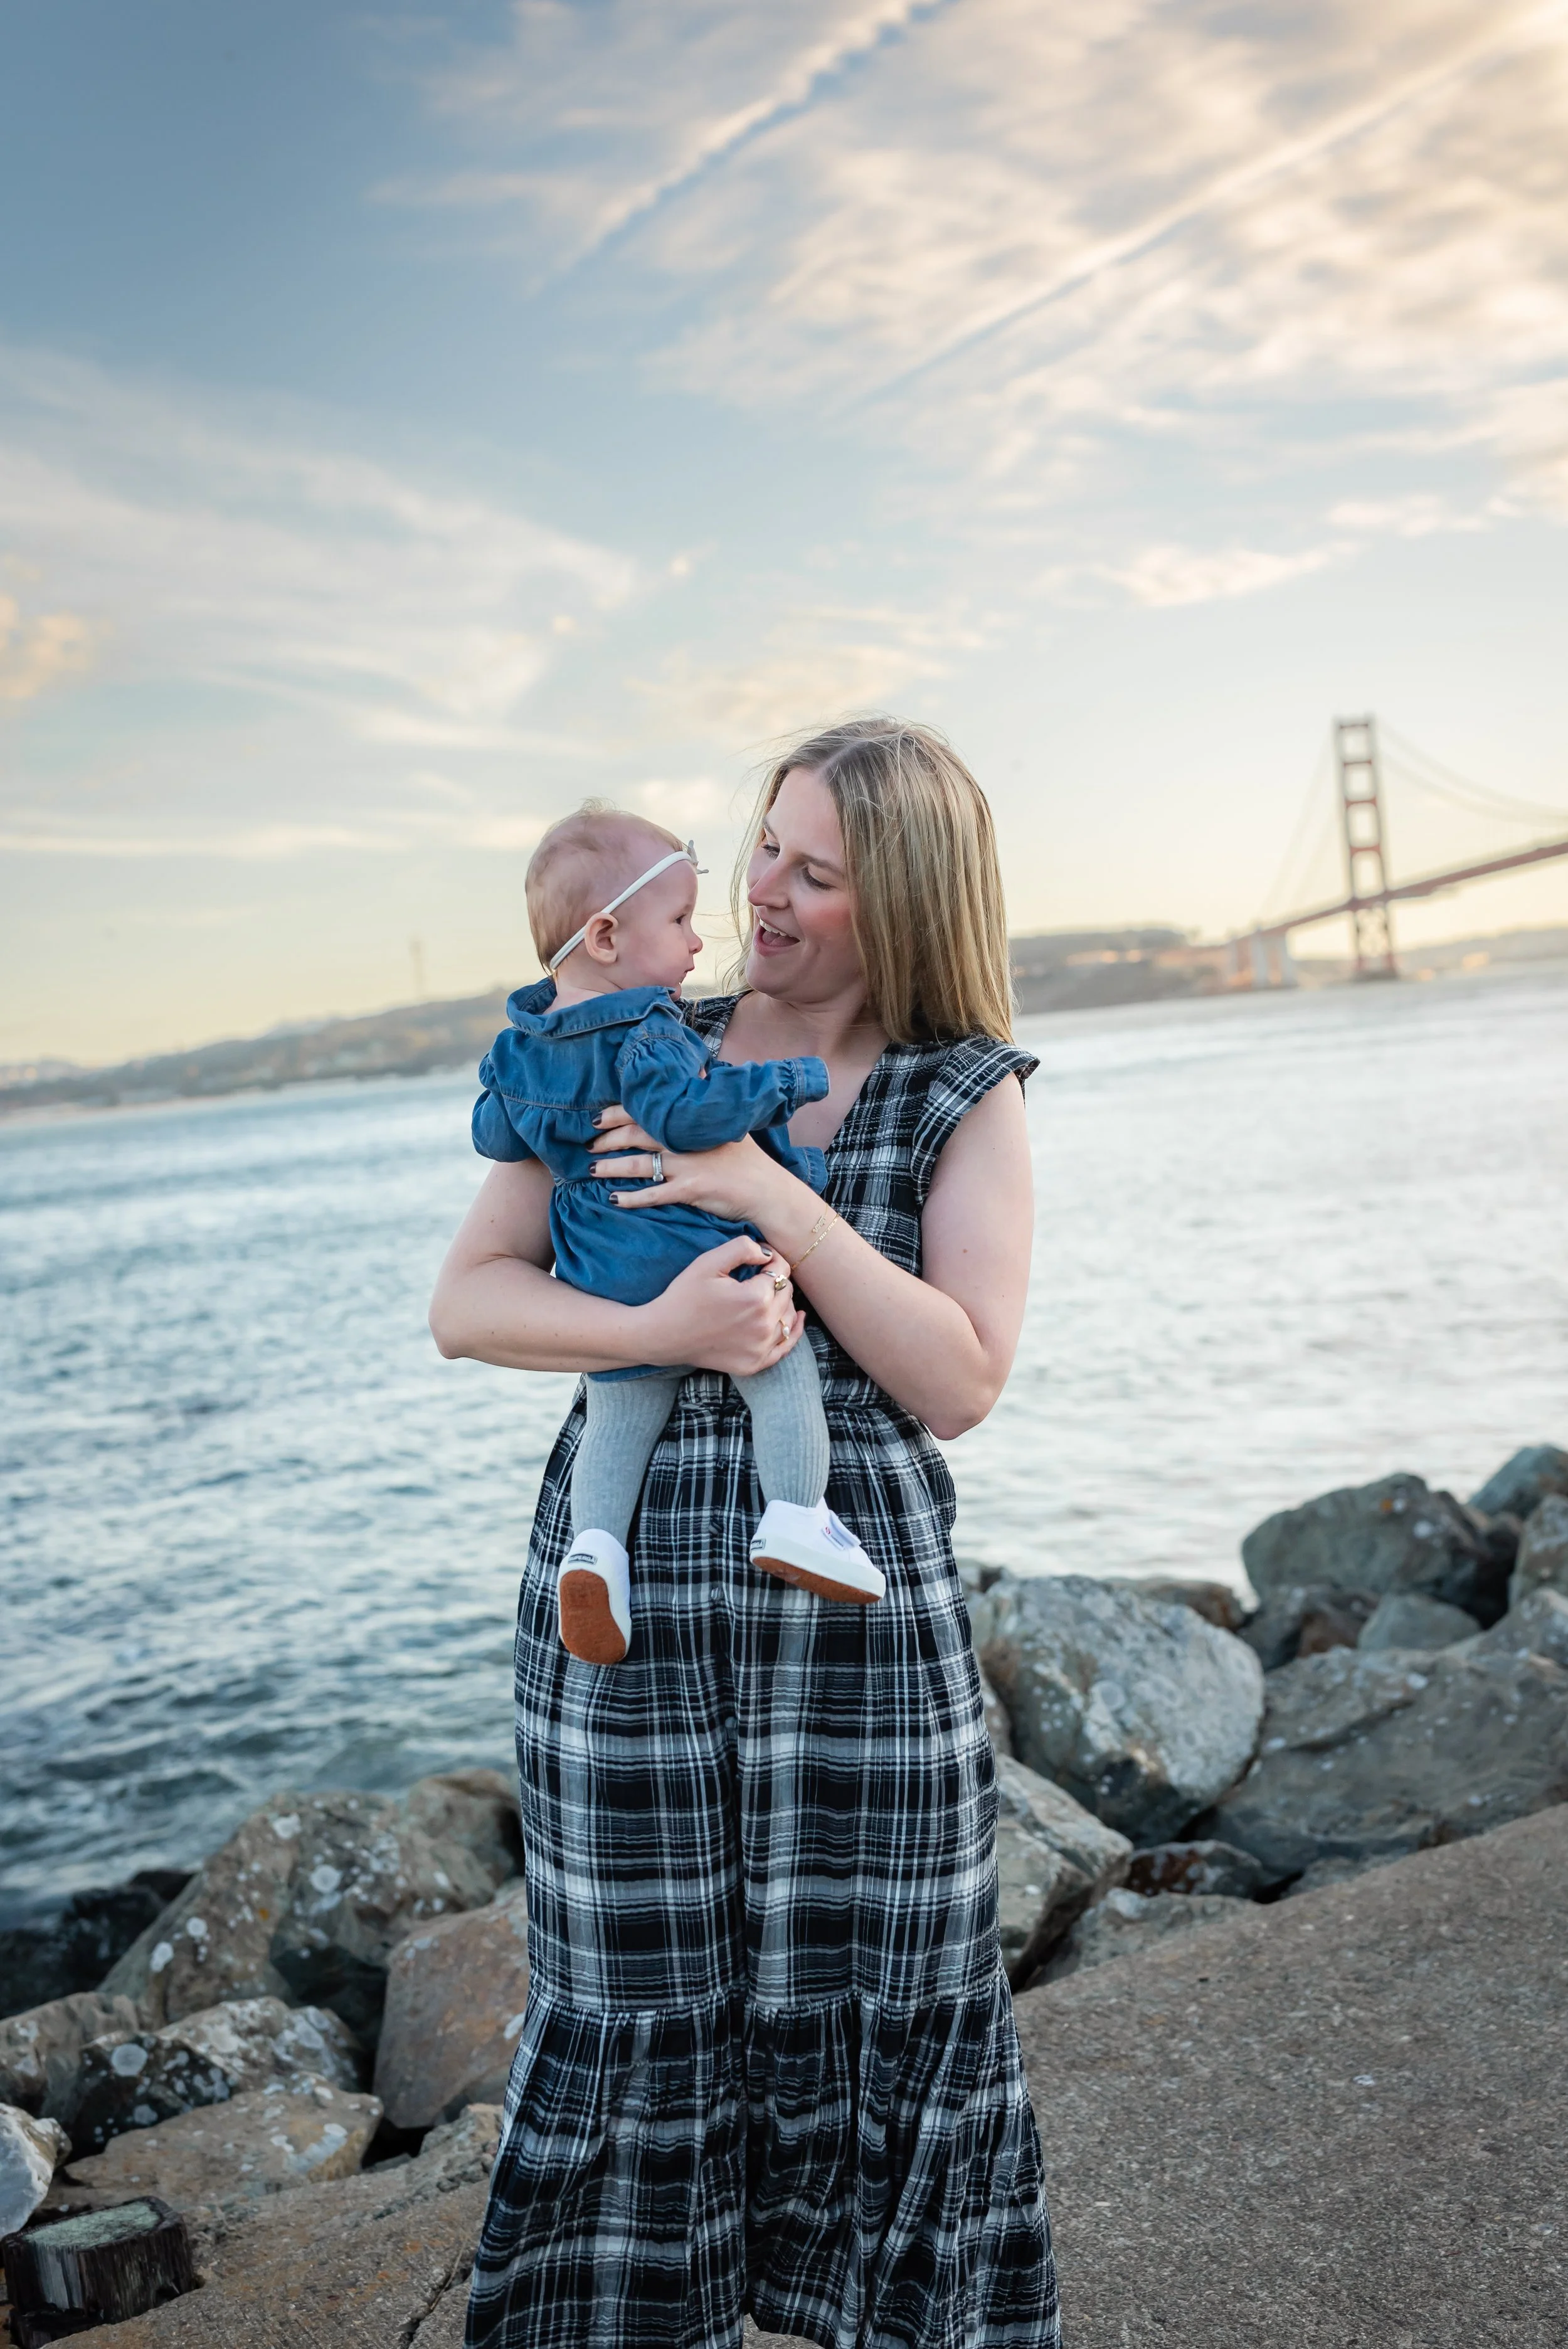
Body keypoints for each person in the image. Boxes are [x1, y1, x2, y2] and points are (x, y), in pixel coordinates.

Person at [429, 716, 1060, 2349]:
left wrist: (777, 1204)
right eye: (763, 848)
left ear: (904, 902)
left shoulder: (958, 1092)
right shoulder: (631, 1023)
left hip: (853, 1626)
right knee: (631, 2012)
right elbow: (470, 1301)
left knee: (897, 2003)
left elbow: (959, 1376)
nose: (765, 892)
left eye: (814, 872)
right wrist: (665, 1335)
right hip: (621, 1609)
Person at [470, 801, 882, 1667]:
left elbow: (499, 1138)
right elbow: (683, 1115)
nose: (701, 942)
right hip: (685, 1248)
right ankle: (798, 1514)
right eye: (682, 921)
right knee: (776, 1358)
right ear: (609, 938)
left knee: (620, 1405)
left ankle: (593, 1551)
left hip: (596, 1270)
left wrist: (555, 1123)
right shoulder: (651, 1031)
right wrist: (787, 1081)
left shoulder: (519, 1049)